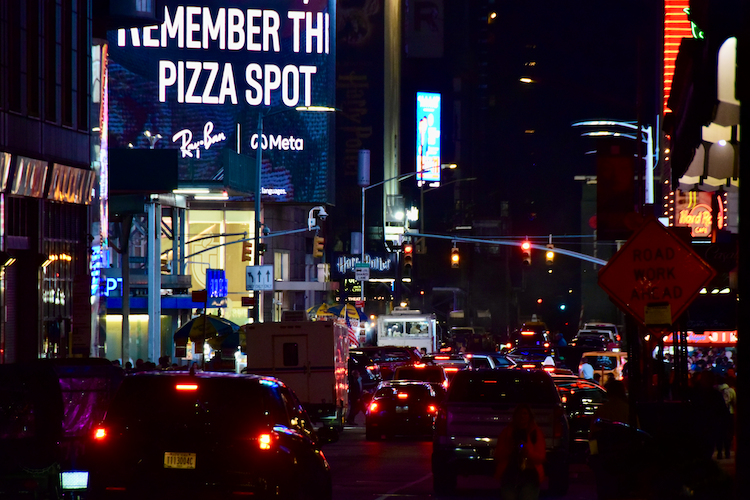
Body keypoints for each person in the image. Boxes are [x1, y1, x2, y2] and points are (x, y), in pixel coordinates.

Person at [494, 403, 546, 500]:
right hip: (509, 475)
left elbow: (541, 457)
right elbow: (498, 455)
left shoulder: (536, 433)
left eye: (525, 413)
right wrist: (510, 448)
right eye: (519, 414)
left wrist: (528, 452)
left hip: (530, 476)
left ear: (529, 416)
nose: (522, 416)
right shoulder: (506, 433)